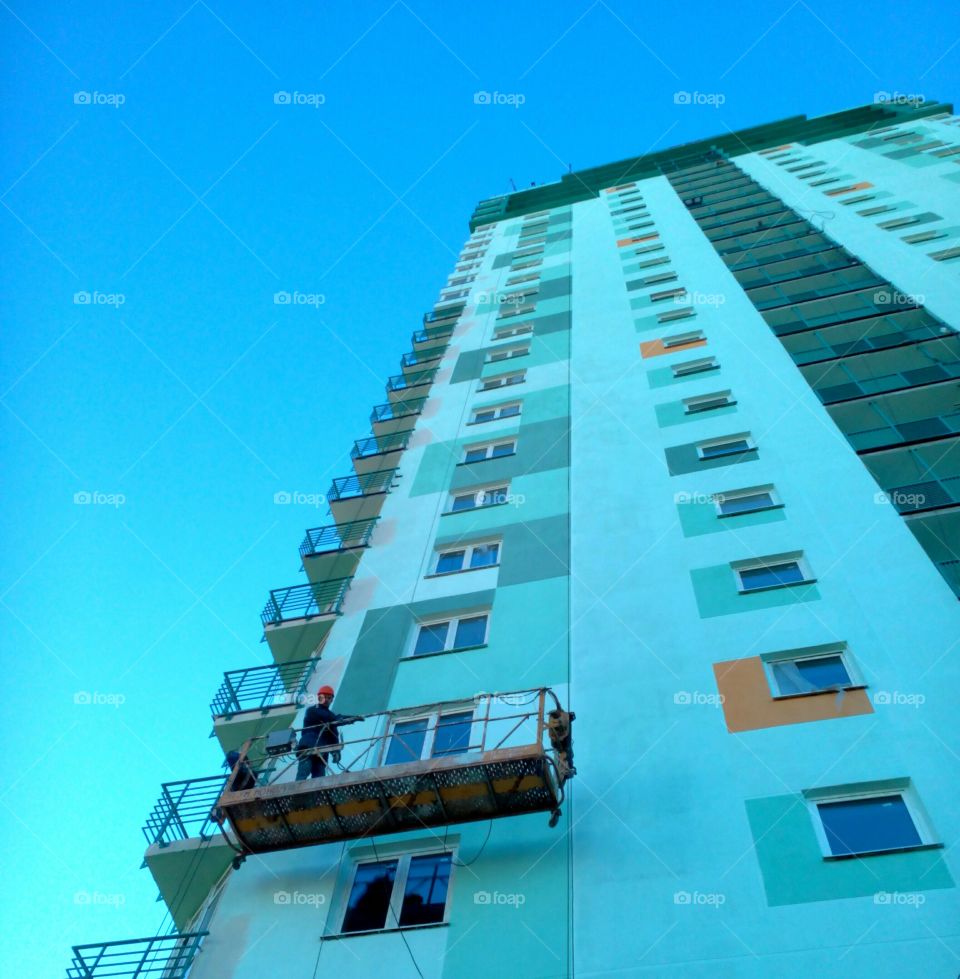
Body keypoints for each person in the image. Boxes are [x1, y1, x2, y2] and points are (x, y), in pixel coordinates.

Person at [296, 685, 361, 780]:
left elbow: (333, 736)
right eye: (324, 697)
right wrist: (351, 718)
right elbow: (331, 718)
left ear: (331, 700)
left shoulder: (330, 716)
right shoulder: (312, 710)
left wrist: (336, 751)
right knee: (303, 772)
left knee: (319, 778)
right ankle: (298, 793)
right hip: (308, 747)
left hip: (322, 751)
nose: (326, 699)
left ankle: (315, 794)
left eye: (329, 698)